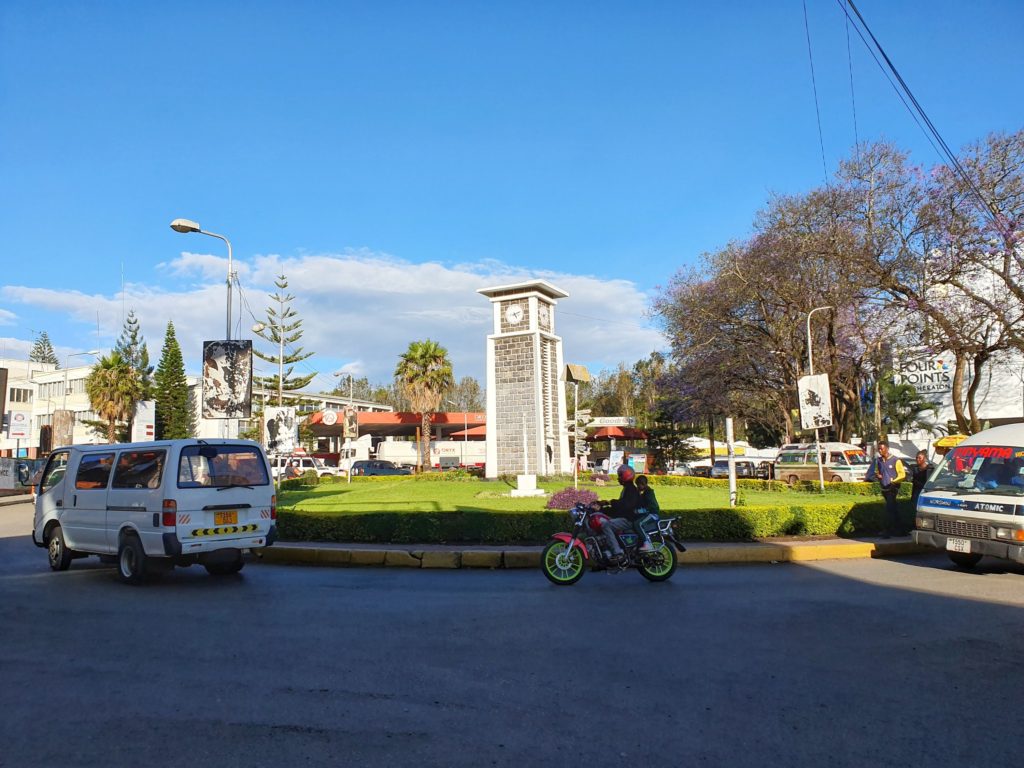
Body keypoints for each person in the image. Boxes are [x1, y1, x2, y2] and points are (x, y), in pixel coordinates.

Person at [593, 463, 640, 560]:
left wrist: (609, 503)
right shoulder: (627, 489)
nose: (618, 478)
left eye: (620, 475)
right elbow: (620, 506)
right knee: (601, 517)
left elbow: (624, 506)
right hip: (625, 516)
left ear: (626, 476)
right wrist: (603, 509)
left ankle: (617, 552)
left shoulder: (631, 490)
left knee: (606, 525)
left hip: (628, 519)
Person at [865, 439, 906, 538]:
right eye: (879, 449)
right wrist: (878, 476)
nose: (880, 451)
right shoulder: (879, 460)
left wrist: (893, 481)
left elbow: (902, 475)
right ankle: (900, 531)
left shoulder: (896, 460)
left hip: (892, 488)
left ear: (887, 449)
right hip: (884, 489)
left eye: (882, 449)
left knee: (889, 510)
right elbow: (878, 472)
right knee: (893, 510)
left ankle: (886, 531)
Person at [634, 474, 659, 552]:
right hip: (649, 513)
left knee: (638, 524)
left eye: (638, 485)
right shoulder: (645, 493)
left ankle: (647, 543)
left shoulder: (649, 493)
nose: (637, 487)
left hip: (652, 514)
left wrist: (639, 511)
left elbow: (652, 507)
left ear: (643, 484)